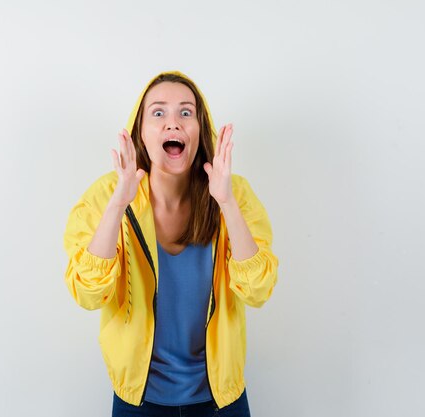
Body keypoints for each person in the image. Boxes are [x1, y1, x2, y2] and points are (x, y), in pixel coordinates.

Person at [63, 70, 278, 416]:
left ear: (199, 128)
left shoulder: (232, 194)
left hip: (221, 401)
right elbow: (88, 294)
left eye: (186, 113)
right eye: (158, 113)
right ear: (140, 133)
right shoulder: (107, 195)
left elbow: (258, 290)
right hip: (139, 401)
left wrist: (226, 203)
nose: (172, 123)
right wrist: (119, 205)